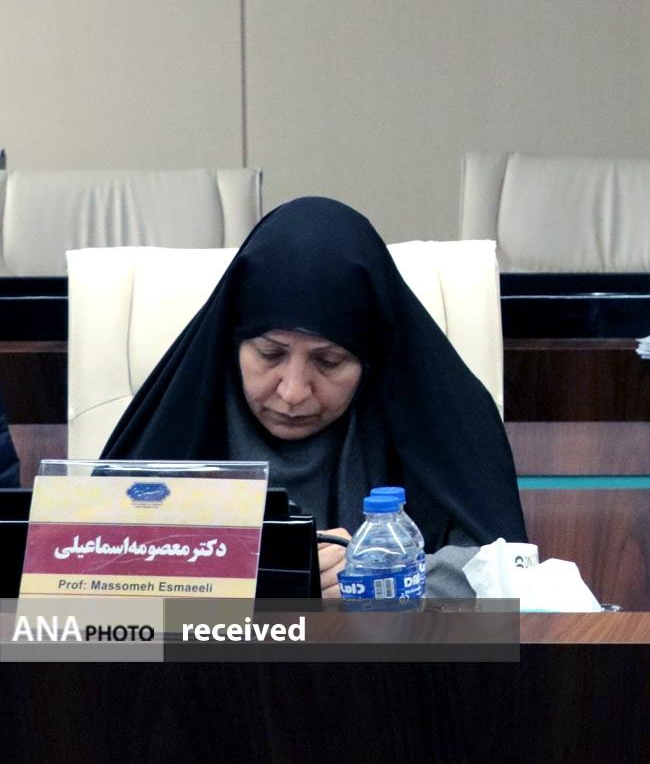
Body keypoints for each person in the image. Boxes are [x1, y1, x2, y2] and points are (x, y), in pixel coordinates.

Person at [99, 197, 526, 596]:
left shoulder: (437, 419)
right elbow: (88, 567)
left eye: (329, 361)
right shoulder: (183, 418)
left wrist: (386, 578)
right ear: (234, 344)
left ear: (370, 360)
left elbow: (506, 570)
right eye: (270, 354)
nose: (293, 391)